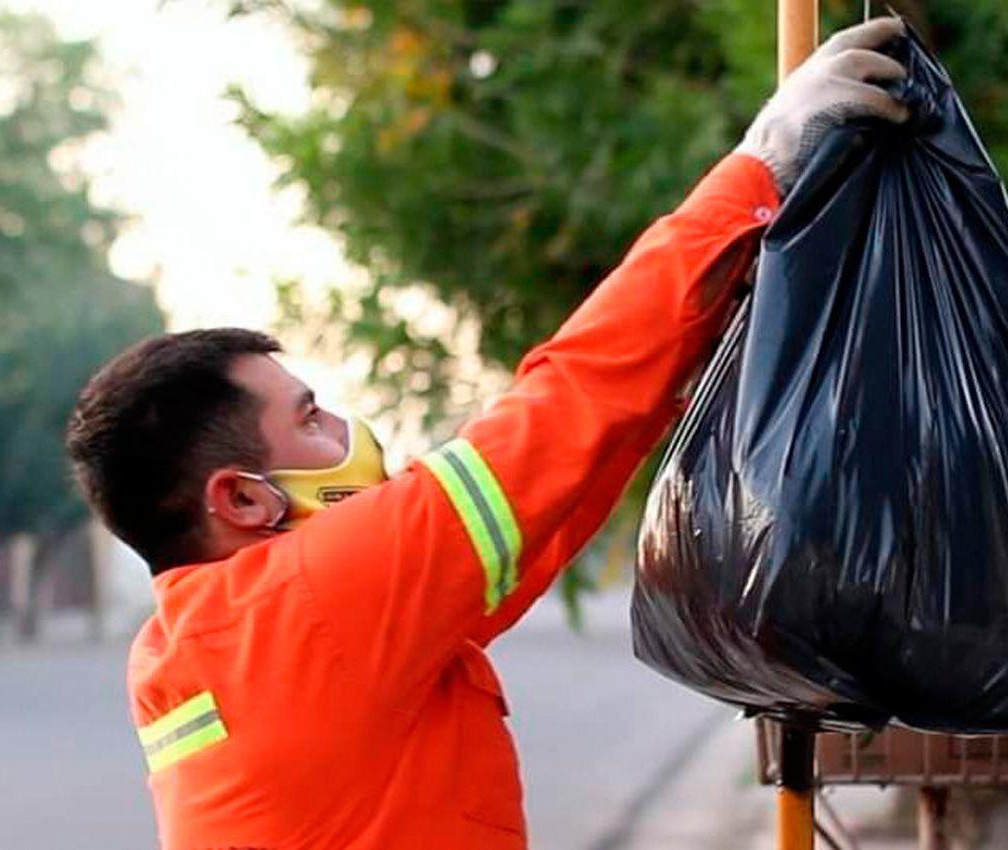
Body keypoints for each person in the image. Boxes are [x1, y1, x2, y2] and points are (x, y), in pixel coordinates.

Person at [65, 17, 910, 850]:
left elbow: (546, 498)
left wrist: (685, 349)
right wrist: (760, 167)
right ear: (244, 497)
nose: (348, 430)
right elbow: (559, 413)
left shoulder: (195, 648)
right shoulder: (310, 604)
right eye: (310, 417)